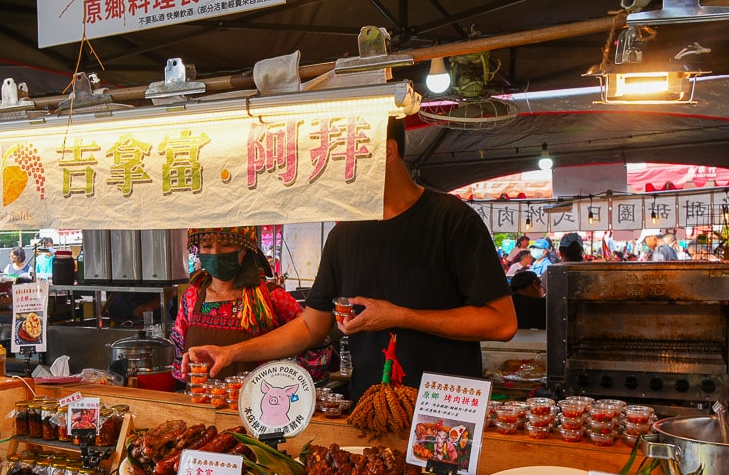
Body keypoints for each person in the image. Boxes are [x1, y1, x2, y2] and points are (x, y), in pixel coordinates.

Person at [185, 118, 516, 400]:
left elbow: (501, 323)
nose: (336, 168)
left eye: (345, 156)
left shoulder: (452, 220)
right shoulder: (344, 236)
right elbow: (308, 328)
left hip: (444, 408)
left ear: (387, 151)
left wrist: (400, 316)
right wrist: (231, 352)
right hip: (371, 407)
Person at [170, 225, 329, 381]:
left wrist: (282, 380)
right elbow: (178, 354)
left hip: (259, 403)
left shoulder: (270, 297)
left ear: (244, 249)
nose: (215, 253)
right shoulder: (192, 296)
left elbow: (315, 344)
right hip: (201, 402)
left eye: (226, 244)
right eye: (207, 246)